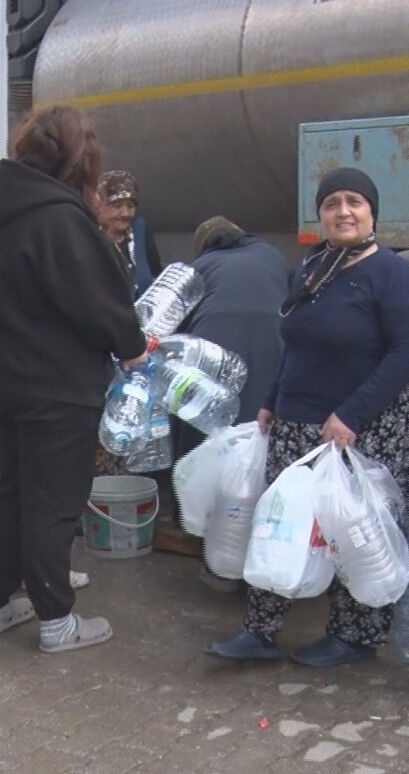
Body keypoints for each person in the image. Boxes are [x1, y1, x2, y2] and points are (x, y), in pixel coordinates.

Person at [207, 167, 409, 667]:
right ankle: (260, 633)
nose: (343, 212)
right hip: (297, 422)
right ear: (320, 214)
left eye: (354, 202)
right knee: (278, 524)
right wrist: (272, 398)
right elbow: (295, 342)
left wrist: (351, 414)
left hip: (363, 429)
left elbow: (405, 352)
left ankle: (354, 638)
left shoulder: (393, 273)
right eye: (331, 204)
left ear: (372, 212)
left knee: (355, 530)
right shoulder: (314, 264)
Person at [0, 104, 149, 652]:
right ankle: (56, 623)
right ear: (80, 164)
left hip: (3, 383)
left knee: (16, 493)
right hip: (56, 387)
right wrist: (132, 347)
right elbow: (98, 297)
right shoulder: (60, 218)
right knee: (53, 502)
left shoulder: (0, 210)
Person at [157, 215, 292, 568]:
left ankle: (193, 522)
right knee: (258, 428)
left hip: (213, 341)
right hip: (272, 341)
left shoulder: (202, 264)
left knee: (199, 425)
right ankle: (260, 516)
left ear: (205, 245)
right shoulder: (273, 255)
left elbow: (174, 324)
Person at [95, 170, 161, 297]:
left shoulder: (139, 229)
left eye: (130, 206)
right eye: (117, 206)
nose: (125, 213)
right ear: (99, 206)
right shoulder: (88, 233)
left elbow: (156, 274)